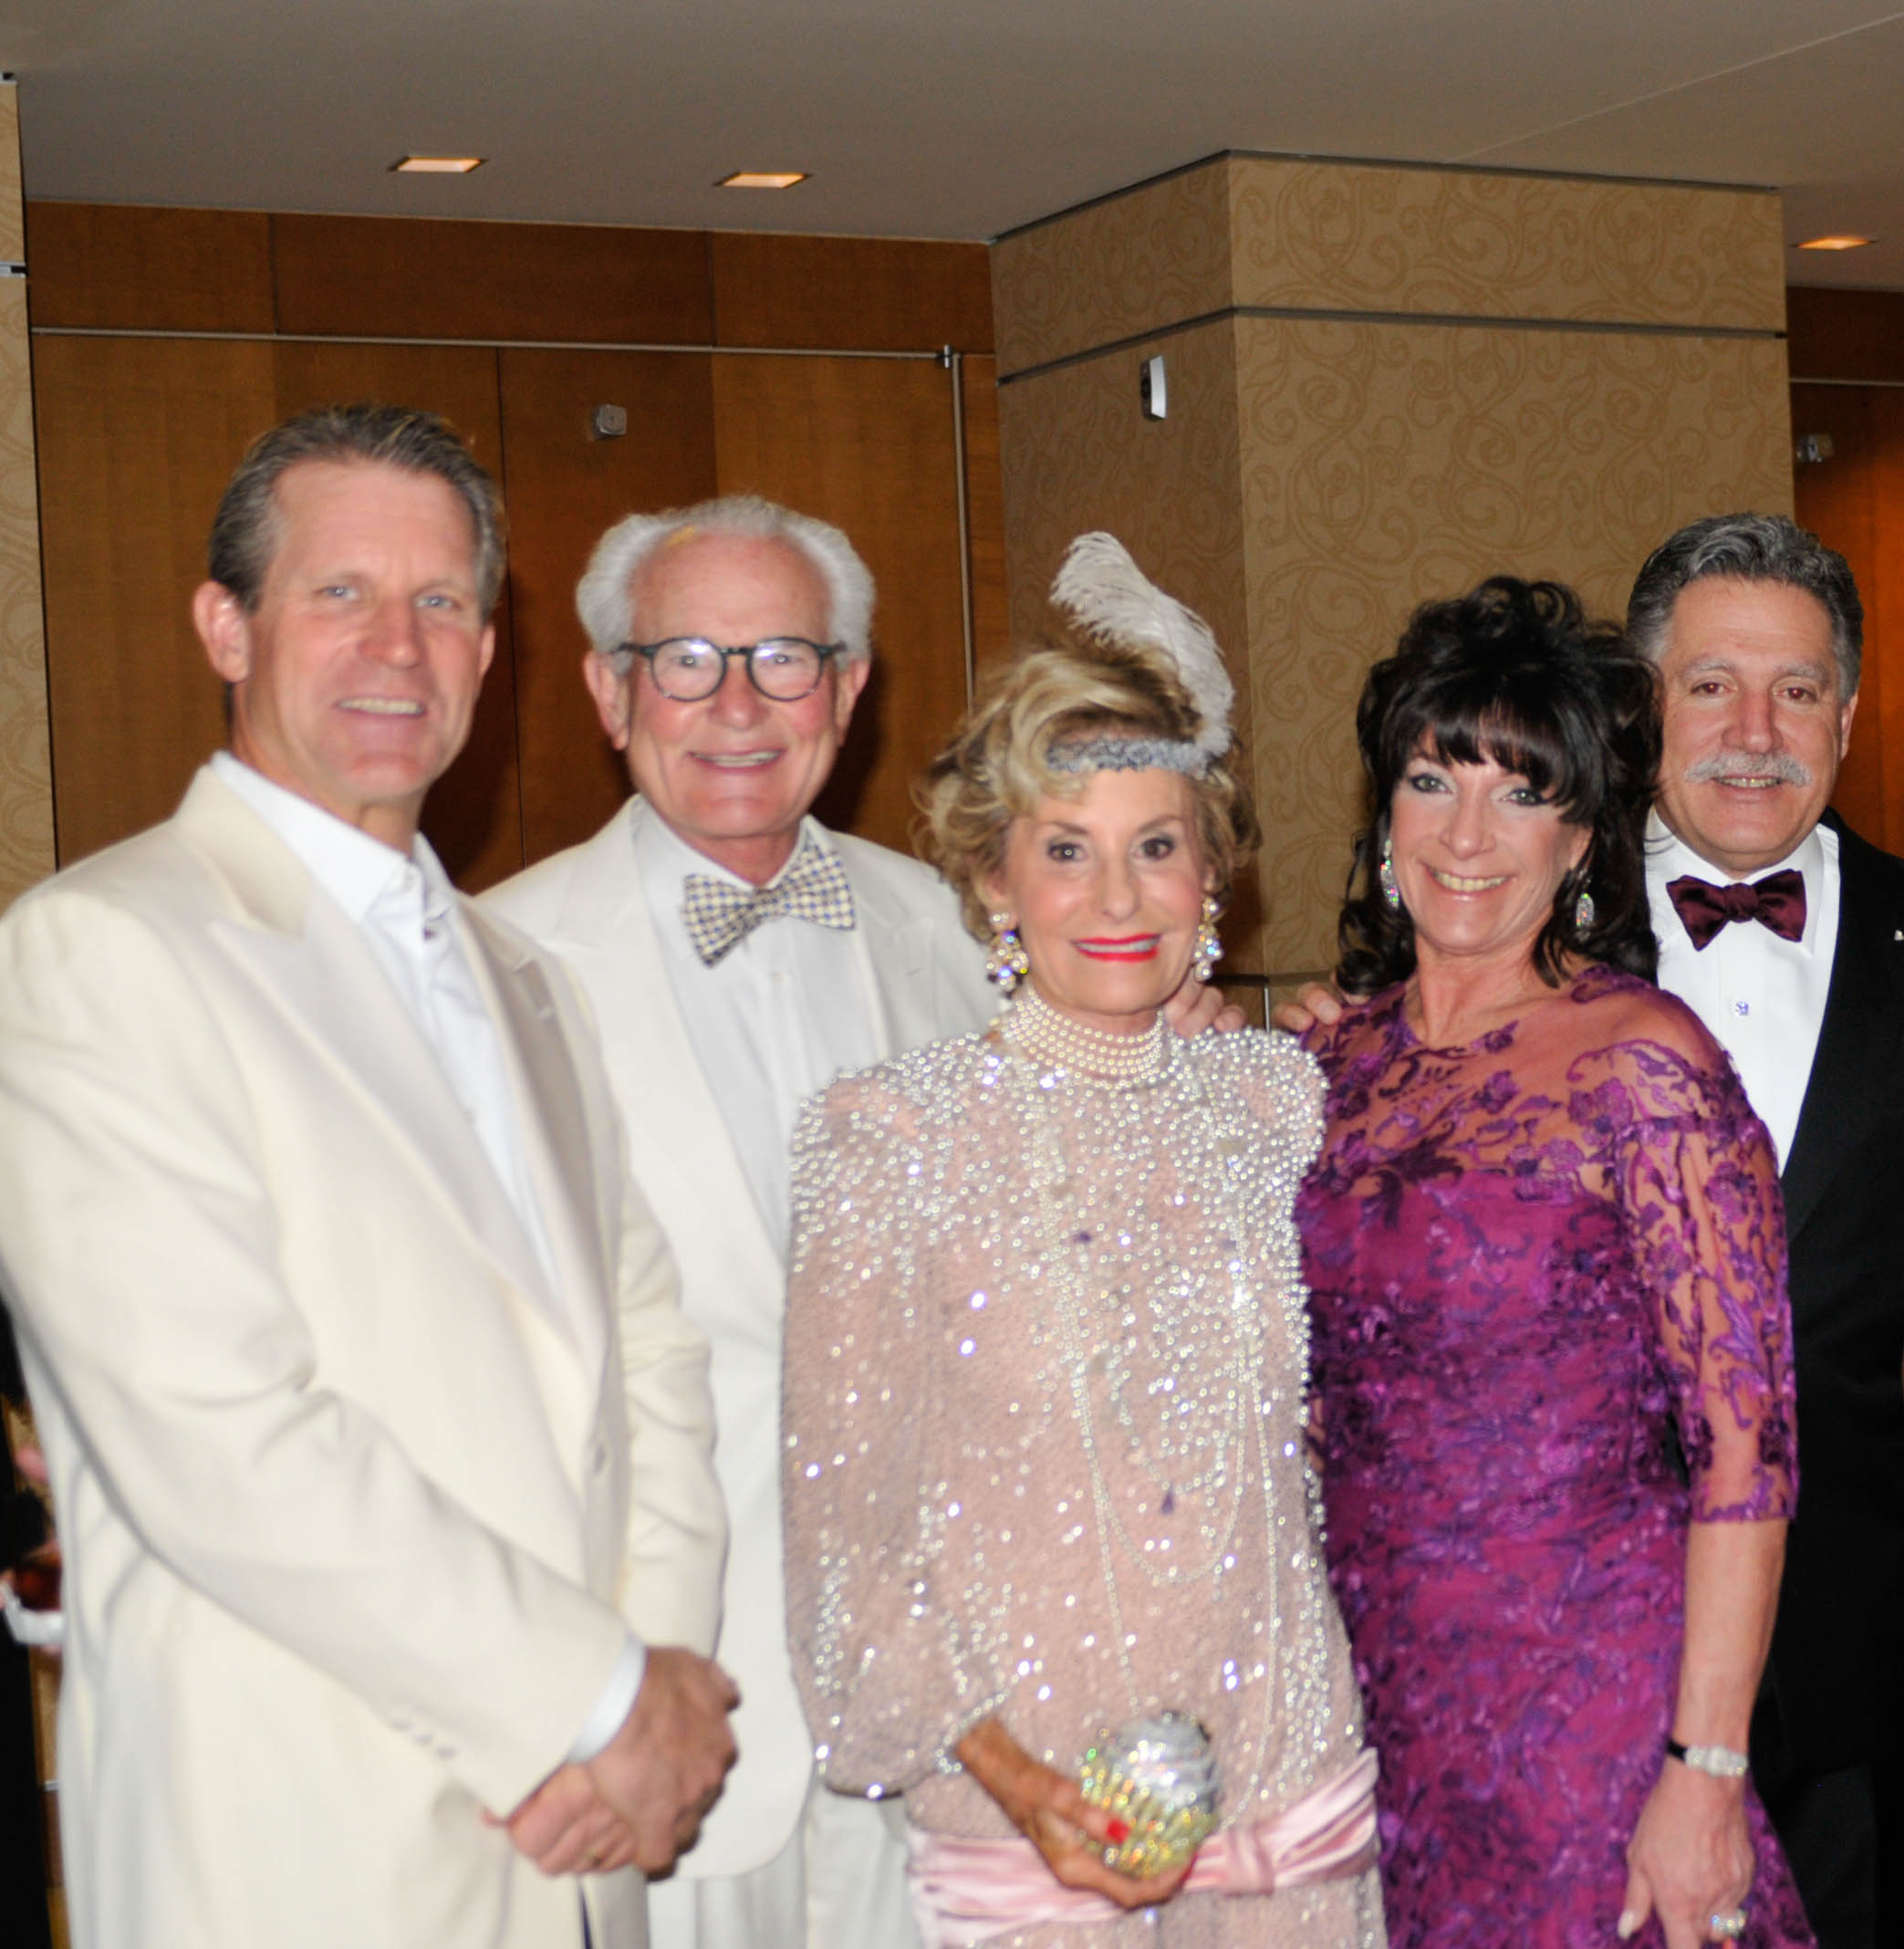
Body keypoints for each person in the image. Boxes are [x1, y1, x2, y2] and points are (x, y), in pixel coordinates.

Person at [0, 404, 734, 1949]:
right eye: (340, 594)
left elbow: (652, 1368)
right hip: (299, 1852)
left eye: (444, 602)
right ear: (226, 626)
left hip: (578, 1853)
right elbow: (222, 1439)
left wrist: (656, 1692)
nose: (397, 646)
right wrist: (595, 1699)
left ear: (489, 649)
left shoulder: (531, 981)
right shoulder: (100, 952)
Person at [783, 534, 1385, 1948]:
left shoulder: (1283, 1102)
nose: (1119, 900)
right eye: (1069, 851)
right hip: (1033, 1840)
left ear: (1208, 874)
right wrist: (1020, 1782)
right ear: (995, 880)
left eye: (1156, 847)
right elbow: (847, 1555)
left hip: (1293, 1821)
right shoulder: (892, 1140)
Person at [482, 495, 1004, 1949]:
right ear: (607, 689)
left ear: (846, 688)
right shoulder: (494, 966)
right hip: (678, 1719)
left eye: (784, 657)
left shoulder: (970, 939)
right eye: (685, 659)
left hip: (961, 1715)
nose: (735, 705)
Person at [1294, 577, 1812, 1949]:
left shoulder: (1643, 1064)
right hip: (1354, 1710)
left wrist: (1705, 1770)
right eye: (1430, 779)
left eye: (1520, 793)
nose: (1468, 835)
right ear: (1385, 811)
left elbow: (1748, 1452)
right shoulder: (1313, 1069)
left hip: (1590, 1714)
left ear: (1582, 837)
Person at [1622, 515, 1904, 1949]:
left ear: (1850, 717)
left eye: (1797, 690)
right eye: (1711, 685)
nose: (1754, 731)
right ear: (1642, 705)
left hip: (1861, 1648)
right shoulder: (1540, 936)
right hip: (1589, 1628)